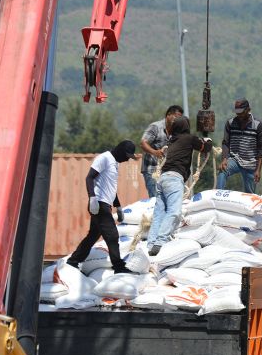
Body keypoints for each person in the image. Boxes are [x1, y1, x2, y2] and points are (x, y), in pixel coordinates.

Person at [66, 140, 137, 274]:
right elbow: (89, 178)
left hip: (106, 204)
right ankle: (119, 267)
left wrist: (118, 206)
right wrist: (92, 198)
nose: (127, 159)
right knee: (112, 235)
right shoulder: (104, 158)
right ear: (120, 150)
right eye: (127, 155)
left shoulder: (115, 163)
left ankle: (74, 260)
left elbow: (110, 187)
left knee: (93, 235)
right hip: (98, 204)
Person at [147, 116, 213, 256]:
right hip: (174, 179)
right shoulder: (188, 138)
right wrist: (208, 140)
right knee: (174, 211)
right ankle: (160, 242)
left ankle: (151, 243)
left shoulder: (172, 141)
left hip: (162, 179)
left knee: (159, 213)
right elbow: (205, 148)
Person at [216, 98, 262, 193]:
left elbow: (261, 148)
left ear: (248, 110)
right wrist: (224, 159)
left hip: (250, 163)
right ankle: (218, 194)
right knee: (223, 171)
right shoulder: (230, 123)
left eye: (241, 112)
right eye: (237, 112)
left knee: (249, 193)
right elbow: (226, 143)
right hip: (235, 159)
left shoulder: (258, 125)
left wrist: (258, 170)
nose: (239, 115)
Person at [140, 105, 184, 198]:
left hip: (167, 171)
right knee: (156, 198)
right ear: (168, 115)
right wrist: (155, 152)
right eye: (176, 116)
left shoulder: (177, 132)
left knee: (168, 199)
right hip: (151, 170)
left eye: (179, 118)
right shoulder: (155, 127)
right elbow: (143, 143)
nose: (177, 120)